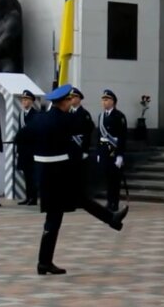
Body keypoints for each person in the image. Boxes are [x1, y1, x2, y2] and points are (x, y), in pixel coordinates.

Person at [27, 84, 129, 275]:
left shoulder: (37, 119)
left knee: (66, 209)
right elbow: (87, 125)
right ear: (64, 102)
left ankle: (112, 219)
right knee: (58, 215)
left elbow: (21, 137)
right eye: (69, 100)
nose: (71, 103)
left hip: (44, 174)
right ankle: (44, 262)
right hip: (59, 174)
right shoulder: (66, 119)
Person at [96, 89, 128, 211]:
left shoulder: (119, 116)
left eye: (107, 99)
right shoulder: (101, 116)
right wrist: (99, 152)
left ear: (113, 102)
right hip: (104, 152)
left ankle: (114, 202)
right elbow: (99, 136)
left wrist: (120, 155)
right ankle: (109, 202)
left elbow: (122, 137)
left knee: (115, 180)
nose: (104, 102)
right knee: (108, 179)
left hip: (114, 152)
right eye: (103, 100)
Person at [16, 90, 39, 205]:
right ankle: (27, 196)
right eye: (23, 100)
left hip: (32, 149)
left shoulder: (35, 114)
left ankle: (33, 197)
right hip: (23, 149)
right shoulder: (20, 114)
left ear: (31, 101)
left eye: (26, 99)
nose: (24, 102)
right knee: (26, 174)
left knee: (32, 175)